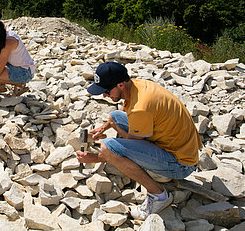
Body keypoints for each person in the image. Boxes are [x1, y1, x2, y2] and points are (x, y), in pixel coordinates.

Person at [76, 62, 202, 220]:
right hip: (181, 146)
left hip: (181, 163)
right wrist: (104, 127)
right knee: (114, 116)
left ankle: (159, 196)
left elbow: (131, 143)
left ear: (121, 85)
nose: (105, 96)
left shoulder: (140, 109)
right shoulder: (137, 86)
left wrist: (95, 157)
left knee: (108, 148)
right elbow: (123, 111)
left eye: (107, 92)